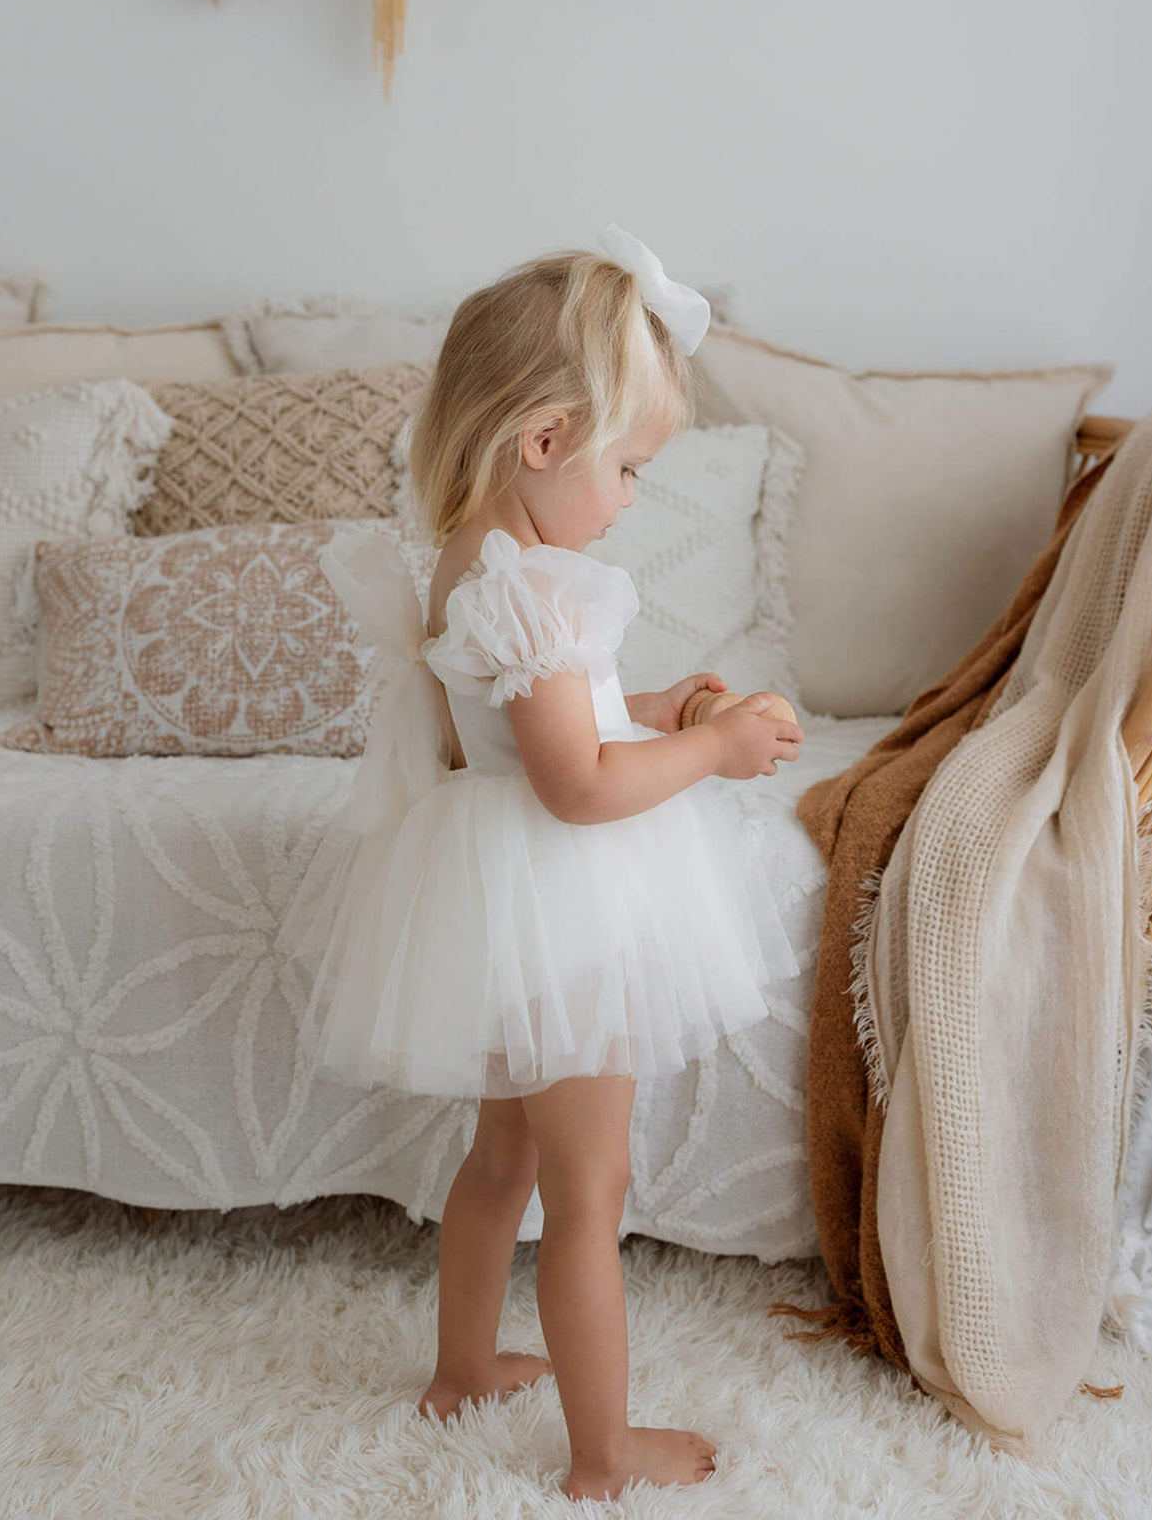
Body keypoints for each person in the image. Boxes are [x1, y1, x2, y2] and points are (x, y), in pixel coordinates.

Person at [275, 223, 806, 1503]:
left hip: (498, 902)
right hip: (567, 906)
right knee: (588, 1186)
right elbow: (575, 787)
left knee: (501, 1159)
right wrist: (723, 748)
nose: (629, 496)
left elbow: (540, 735)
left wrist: (667, 704)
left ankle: (461, 1370)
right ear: (545, 441)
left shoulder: (475, 557)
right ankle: (602, 1454)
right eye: (627, 466)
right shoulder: (545, 591)